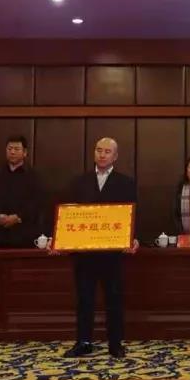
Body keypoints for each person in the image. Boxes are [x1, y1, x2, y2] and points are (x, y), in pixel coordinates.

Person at [65, 137, 138, 359]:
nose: (102, 155)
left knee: (114, 299)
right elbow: (70, 214)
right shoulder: (79, 182)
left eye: (107, 151)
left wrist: (133, 238)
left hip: (112, 253)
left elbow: (134, 214)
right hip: (85, 253)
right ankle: (83, 342)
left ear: (115, 156)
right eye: (99, 150)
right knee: (84, 299)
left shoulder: (126, 183)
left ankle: (115, 343)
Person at [0, 135, 44, 248]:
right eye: (9, 149)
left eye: (16, 149)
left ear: (25, 152)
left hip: (24, 236)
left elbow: (36, 203)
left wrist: (18, 217)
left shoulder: (33, 177)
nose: (12, 152)